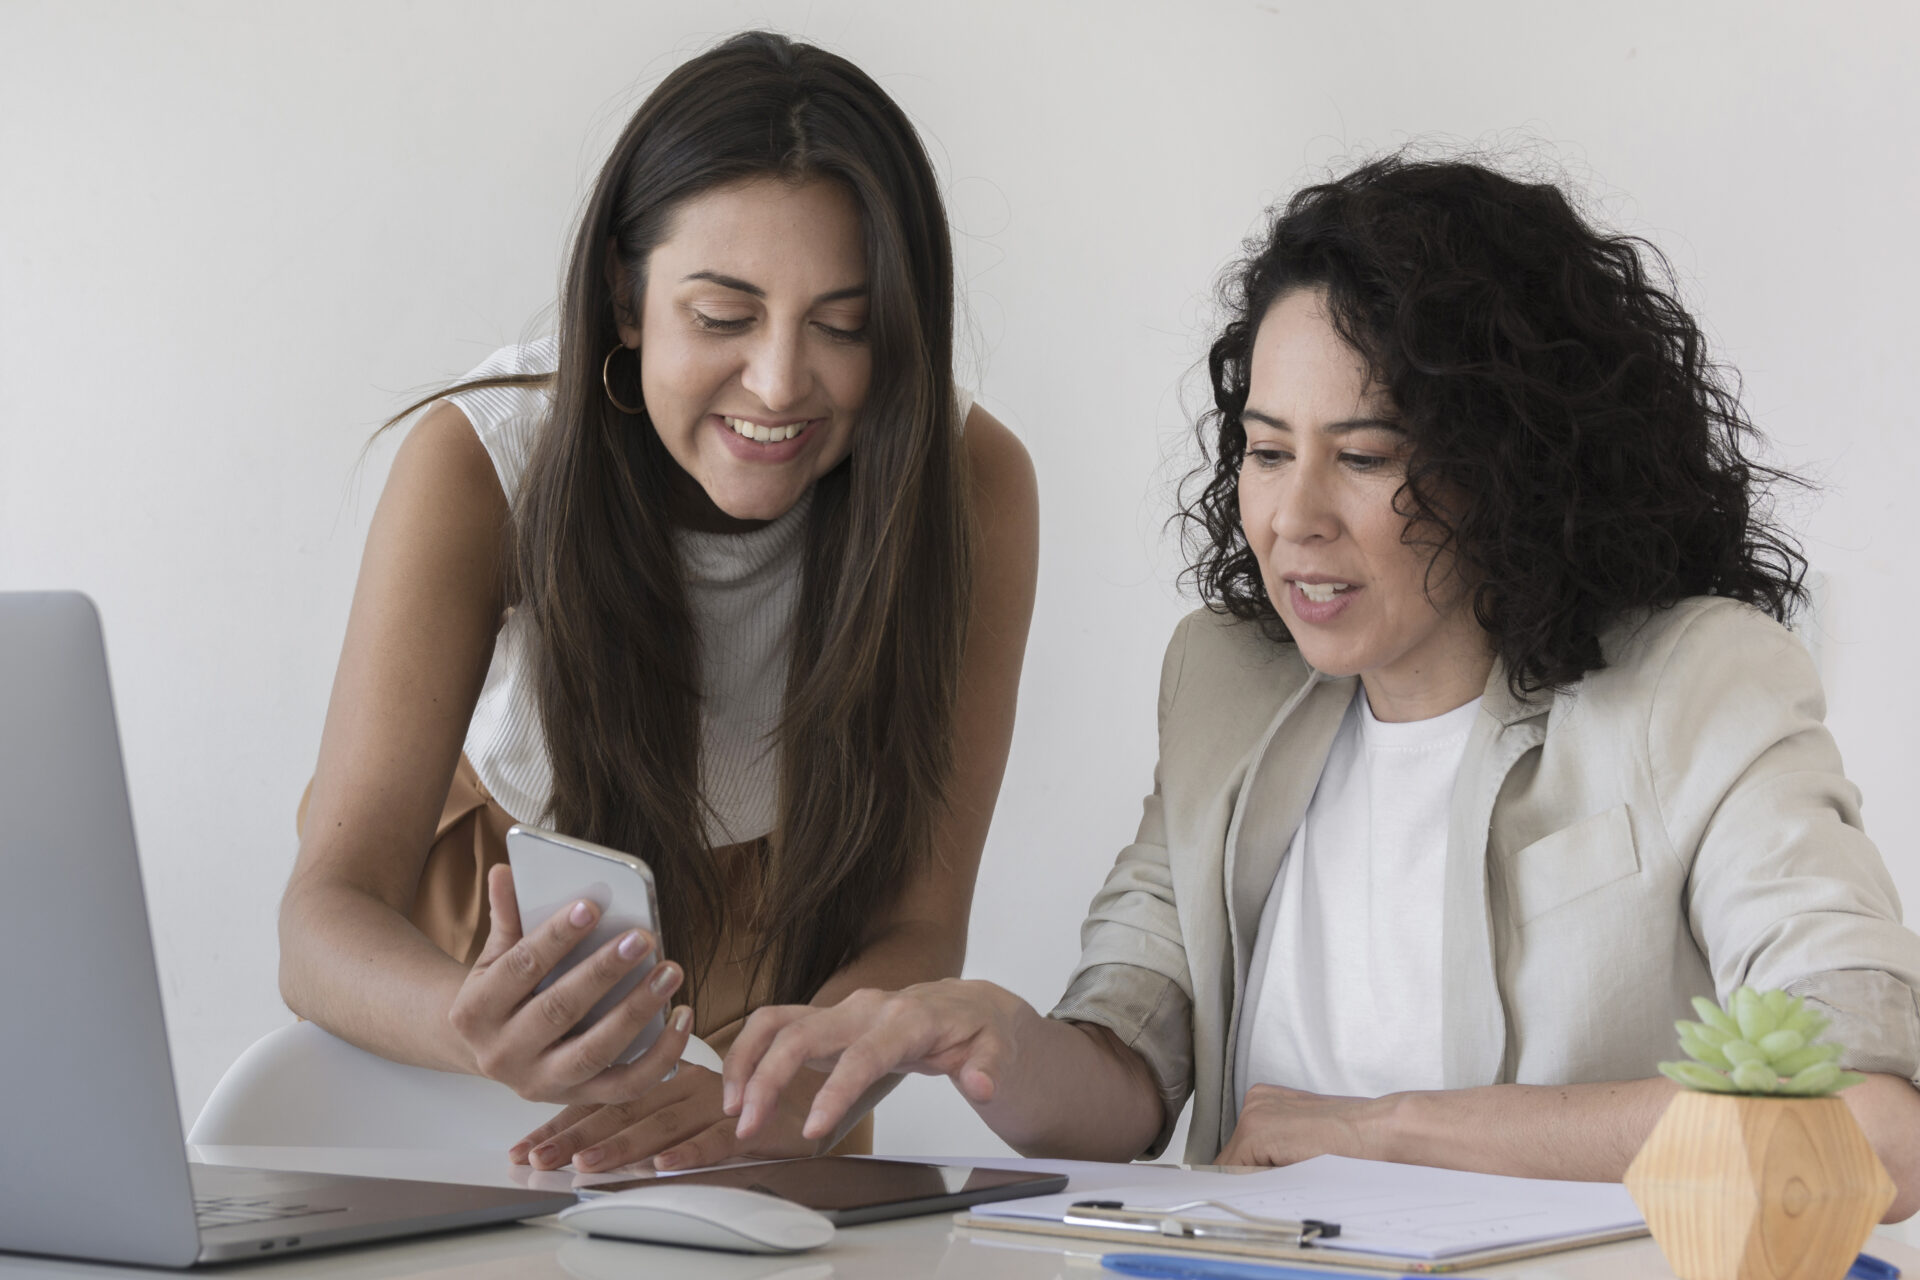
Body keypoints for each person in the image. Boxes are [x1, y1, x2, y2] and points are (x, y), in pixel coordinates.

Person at [721, 154, 1920, 1218]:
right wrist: (986, 1035)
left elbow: (1873, 1130)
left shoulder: (1699, 684)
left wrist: (1386, 1135)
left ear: (1512, 464)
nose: (1293, 519)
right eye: (1267, 448)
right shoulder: (1225, 684)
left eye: (1362, 456)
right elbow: (1126, 1082)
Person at [276, 31, 1038, 1175]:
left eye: (843, 323)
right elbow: (321, 920)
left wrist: (805, 1084)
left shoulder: (972, 484)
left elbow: (920, 924)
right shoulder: (483, 463)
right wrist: (470, 1026)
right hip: (489, 958)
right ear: (626, 301)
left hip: (798, 1017)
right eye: (723, 316)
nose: (780, 382)